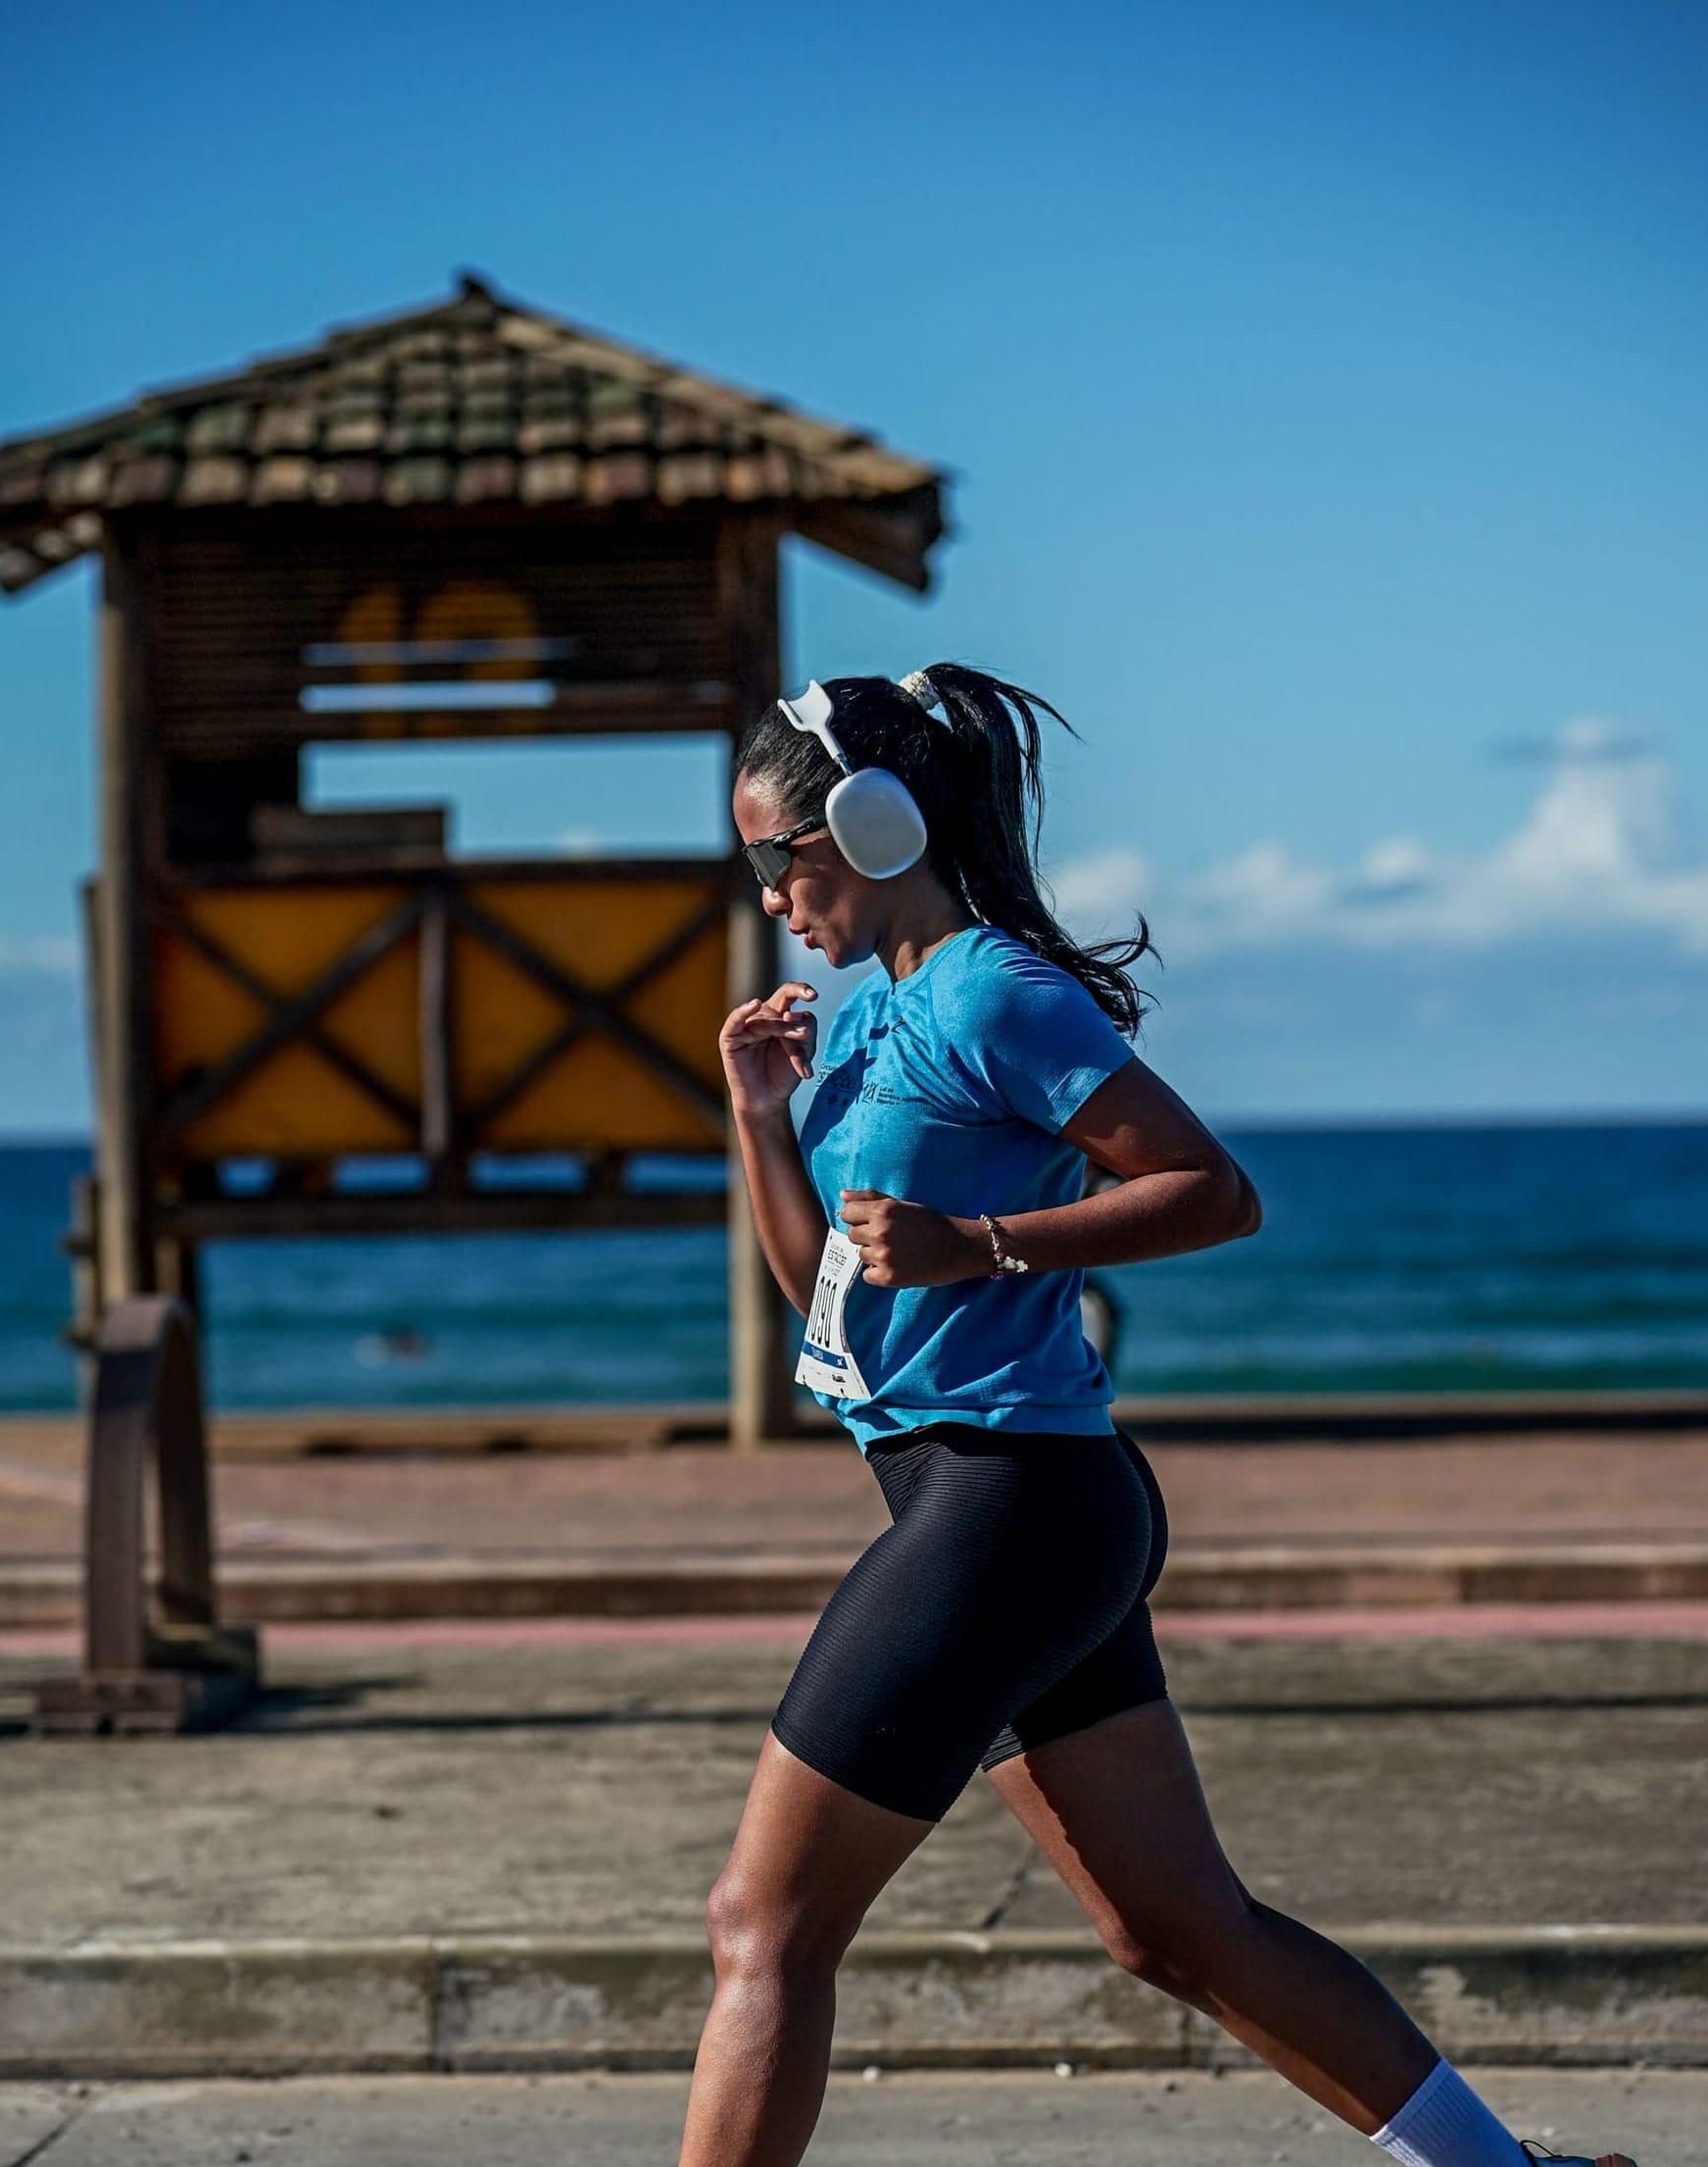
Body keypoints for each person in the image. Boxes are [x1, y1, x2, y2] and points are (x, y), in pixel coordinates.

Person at [682, 664, 1635, 2167]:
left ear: (867, 826)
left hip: (1013, 1506)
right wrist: (756, 1118)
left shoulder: (998, 991)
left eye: (770, 858)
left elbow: (1212, 1190)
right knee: (1173, 1927)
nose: (767, 897)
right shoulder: (862, 1029)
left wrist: (980, 1244)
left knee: (763, 1925)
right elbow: (832, 1298)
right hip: (1001, 1509)